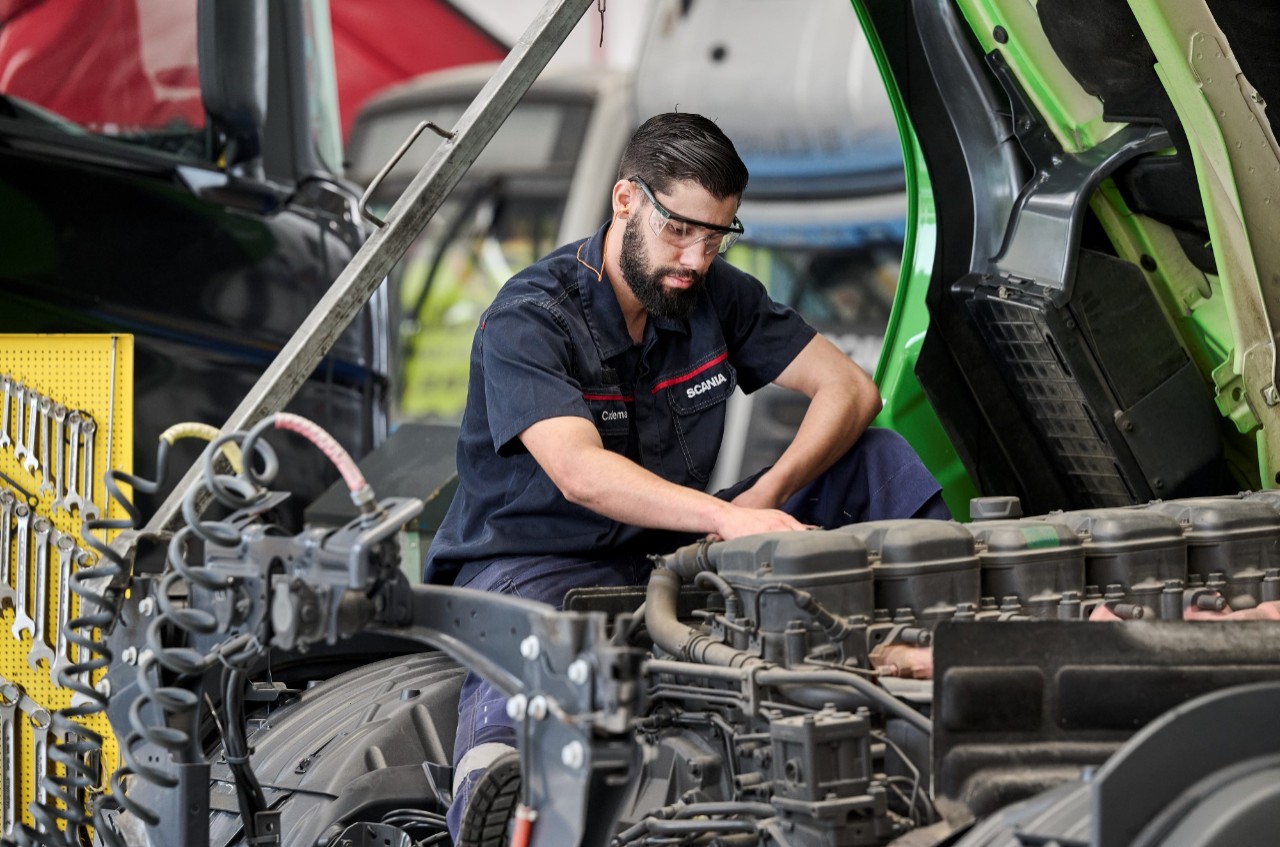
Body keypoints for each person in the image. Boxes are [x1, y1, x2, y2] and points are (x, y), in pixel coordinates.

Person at [423, 112, 949, 842]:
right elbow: (578, 471)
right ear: (625, 201)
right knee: (526, 671)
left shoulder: (716, 295)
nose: (695, 259)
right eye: (679, 230)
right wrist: (726, 518)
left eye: (715, 236)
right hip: (531, 563)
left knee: (876, 457)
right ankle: (493, 787)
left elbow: (852, 391)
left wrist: (762, 497)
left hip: (674, 545)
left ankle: (943, 640)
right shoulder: (530, 316)